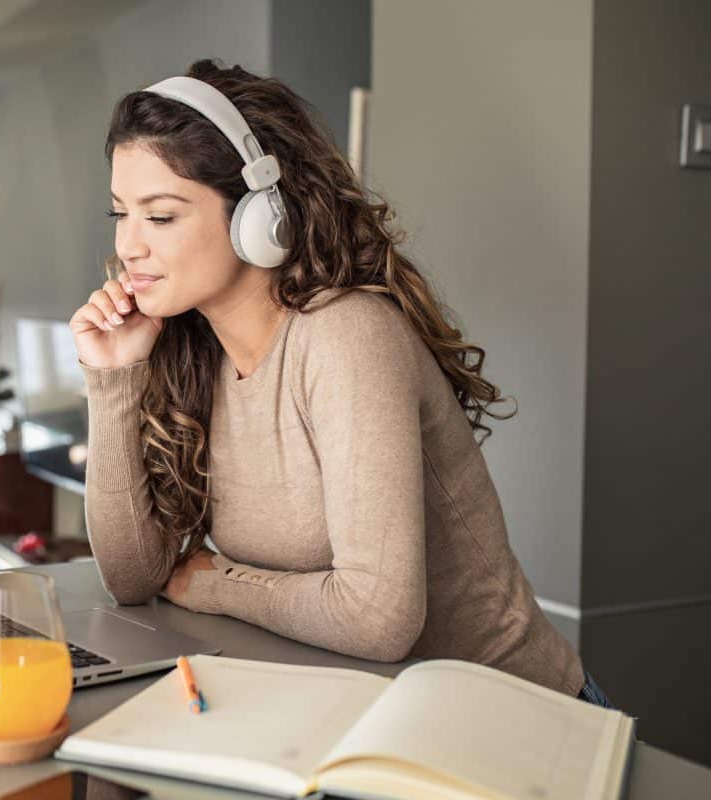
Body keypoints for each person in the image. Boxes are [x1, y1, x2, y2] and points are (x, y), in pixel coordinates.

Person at [69, 59, 614, 708]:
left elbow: (378, 618)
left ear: (259, 215)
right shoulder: (191, 351)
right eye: (119, 215)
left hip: (515, 727)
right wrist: (113, 378)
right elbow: (134, 578)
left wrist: (216, 583)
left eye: (159, 217)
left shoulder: (346, 336)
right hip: (370, 717)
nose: (129, 246)